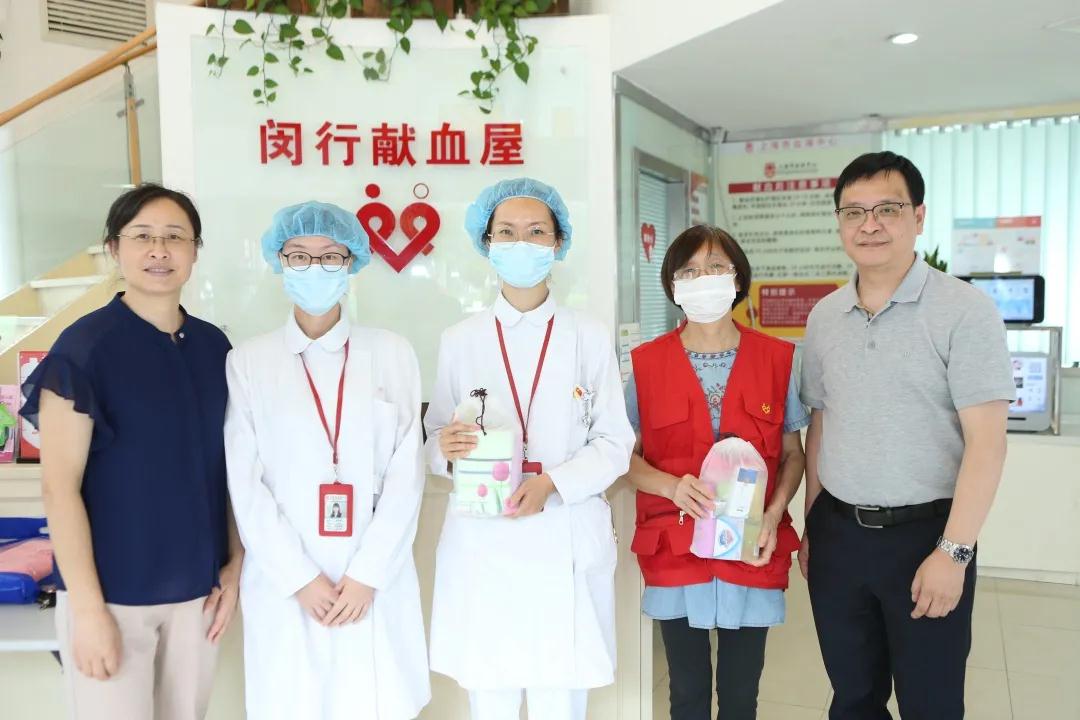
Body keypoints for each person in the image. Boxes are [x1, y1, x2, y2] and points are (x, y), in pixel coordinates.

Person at [799, 152, 1015, 719]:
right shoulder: (824, 317)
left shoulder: (965, 311)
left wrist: (954, 552)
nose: (869, 225)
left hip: (927, 538)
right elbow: (821, 422)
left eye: (887, 209)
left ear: (918, 216)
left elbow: (988, 444)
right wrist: (813, 525)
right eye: (854, 212)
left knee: (930, 704)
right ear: (840, 222)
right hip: (838, 536)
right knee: (853, 698)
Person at [19, 183, 242, 720]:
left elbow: (231, 467)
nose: (159, 250)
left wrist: (235, 564)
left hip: (198, 593)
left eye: (174, 237)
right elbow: (59, 487)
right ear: (115, 249)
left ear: (194, 251)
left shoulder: (215, 348)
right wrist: (88, 610)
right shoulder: (84, 349)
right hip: (112, 596)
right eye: (142, 236)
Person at [424, 177, 636, 720]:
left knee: (559, 699)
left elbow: (615, 442)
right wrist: (444, 447)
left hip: (562, 534)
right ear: (487, 242)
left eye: (537, 231)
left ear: (558, 242)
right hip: (485, 541)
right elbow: (434, 439)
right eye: (507, 232)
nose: (522, 242)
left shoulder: (588, 335)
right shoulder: (460, 339)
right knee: (490, 697)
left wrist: (551, 484)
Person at [225, 201, 429, 720]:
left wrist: (367, 574)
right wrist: (298, 577)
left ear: (352, 262)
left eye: (330, 257)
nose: (314, 269)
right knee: (292, 703)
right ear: (279, 262)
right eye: (299, 256)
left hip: (374, 579)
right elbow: (245, 484)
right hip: (286, 584)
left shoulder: (392, 353)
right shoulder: (249, 361)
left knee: (375, 703)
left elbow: (407, 474)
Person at [624, 225, 808, 720]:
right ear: (672, 285)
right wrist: (669, 486)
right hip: (674, 543)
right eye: (688, 271)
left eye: (715, 267)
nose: (702, 279)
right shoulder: (645, 365)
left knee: (741, 694)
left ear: (737, 278)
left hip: (752, 544)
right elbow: (621, 458)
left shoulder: (778, 359)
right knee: (686, 692)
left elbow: (793, 453)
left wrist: (774, 513)